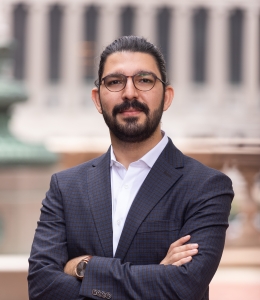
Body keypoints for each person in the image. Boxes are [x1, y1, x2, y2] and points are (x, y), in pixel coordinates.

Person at [28, 36, 234, 300]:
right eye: (115, 82)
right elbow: (41, 287)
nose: (129, 93)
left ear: (167, 96)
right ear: (97, 99)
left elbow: (183, 287)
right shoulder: (65, 187)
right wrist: (155, 274)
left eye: (144, 80)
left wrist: (83, 267)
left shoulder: (205, 186)